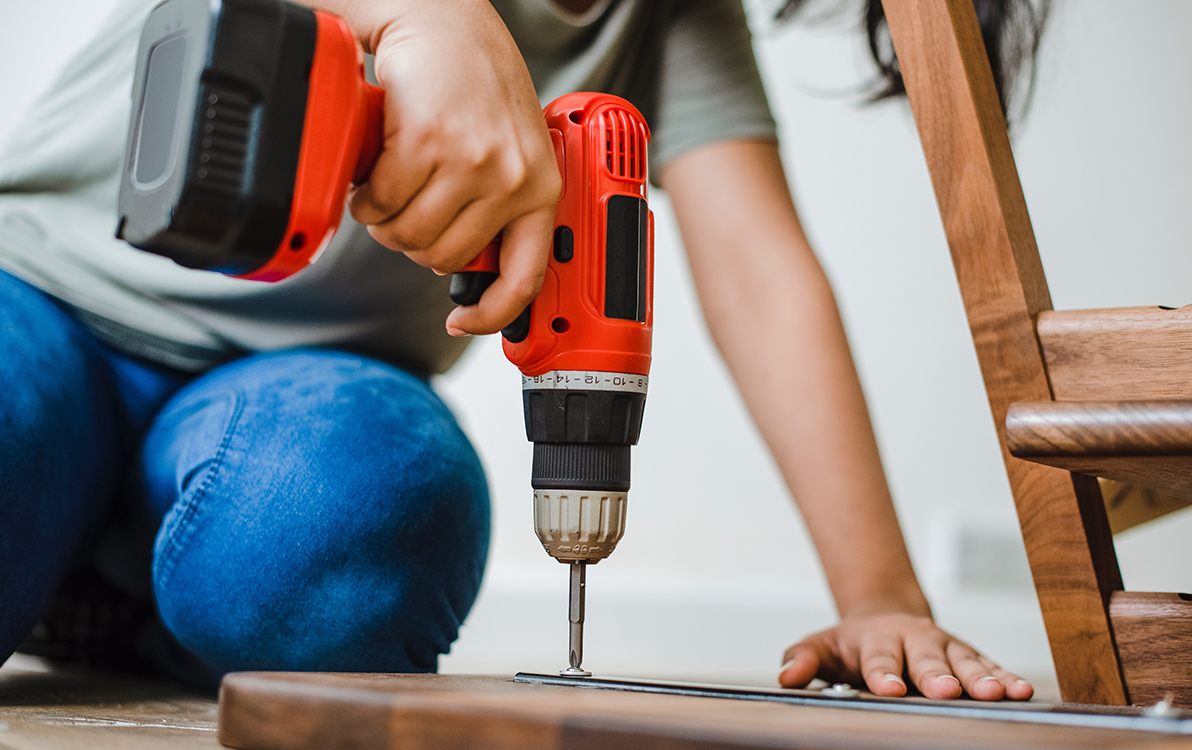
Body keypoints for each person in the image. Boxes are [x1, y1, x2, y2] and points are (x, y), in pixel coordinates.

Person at [0, 0, 1041, 699]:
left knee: (354, 526)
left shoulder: (667, 21)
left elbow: (763, 280)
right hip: (37, 292)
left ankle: (94, 586)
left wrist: (880, 598)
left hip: (293, 393)